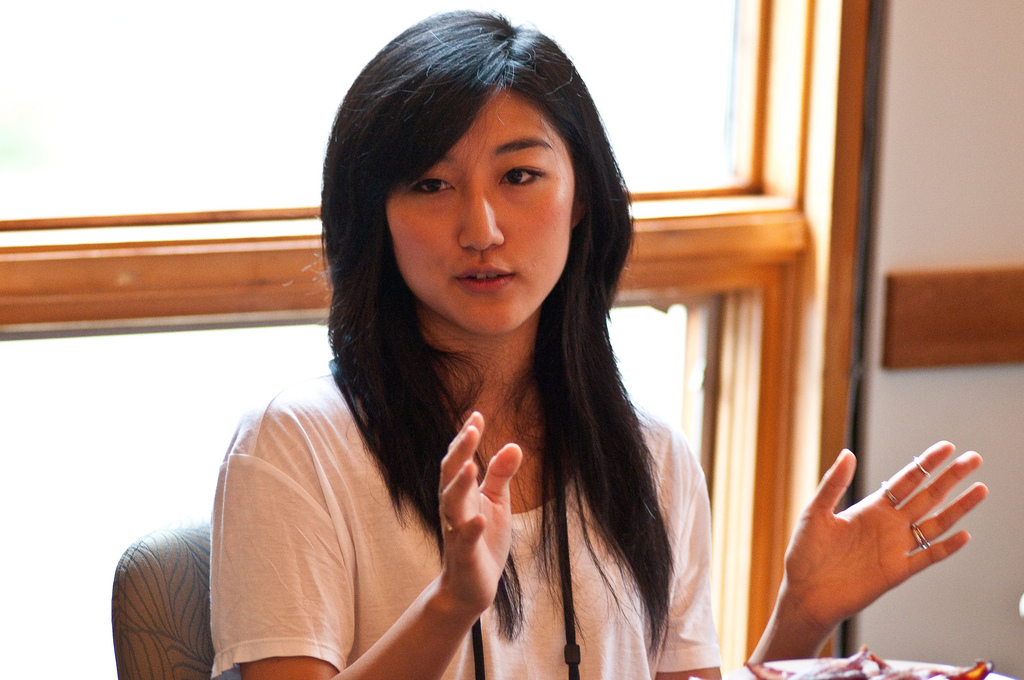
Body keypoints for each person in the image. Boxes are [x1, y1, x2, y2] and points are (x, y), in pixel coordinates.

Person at [209, 11, 988, 680]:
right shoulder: (294, 445)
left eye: (519, 176)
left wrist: (800, 619)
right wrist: (450, 606)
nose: (481, 229)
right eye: (430, 185)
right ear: (371, 213)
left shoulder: (652, 455)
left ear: (582, 197)